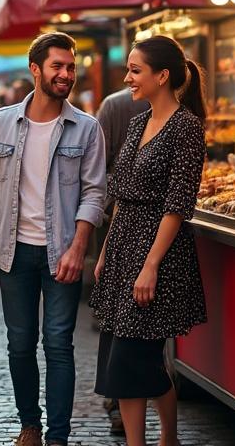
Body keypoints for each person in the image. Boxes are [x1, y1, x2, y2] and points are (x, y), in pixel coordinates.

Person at [0, 33, 106, 446]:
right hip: (13, 251)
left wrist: (79, 246)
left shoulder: (86, 128)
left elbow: (96, 191)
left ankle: (58, 437)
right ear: (36, 69)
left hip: (62, 251)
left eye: (70, 66)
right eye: (58, 66)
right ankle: (29, 425)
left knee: (59, 345)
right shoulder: (0, 121)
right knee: (19, 343)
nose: (66, 74)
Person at [90, 35, 208, 446]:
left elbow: (178, 204)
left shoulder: (187, 128)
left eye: (135, 70)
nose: (128, 78)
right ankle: (165, 441)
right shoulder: (139, 121)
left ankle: (162, 439)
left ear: (162, 75)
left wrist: (151, 264)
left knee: (131, 360)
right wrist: (105, 252)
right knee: (129, 360)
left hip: (159, 252)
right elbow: (121, 192)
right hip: (124, 247)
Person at [93, 68, 150, 436]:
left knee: (133, 330)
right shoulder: (117, 107)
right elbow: (97, 167)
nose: (129, 77)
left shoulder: (180, 120)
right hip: (118, 226)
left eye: (136, 69)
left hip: (143, 234)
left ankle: (132, 412)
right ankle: (117, 405)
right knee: (117, 326)